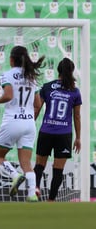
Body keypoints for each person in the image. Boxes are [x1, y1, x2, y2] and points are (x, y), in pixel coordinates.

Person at [0, 45, 45, 202]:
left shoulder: (7, 75)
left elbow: (8, 95)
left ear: (12, 60)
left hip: (12, 121)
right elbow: (38, 105)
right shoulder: (31, 77)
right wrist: (28, 120)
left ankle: (14, 175)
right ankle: (32, 194)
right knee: (26, 162)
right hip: (29, 123)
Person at [33, 58, 81, 202]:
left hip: (46, 132)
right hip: (64, 135)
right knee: (58, 169)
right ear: (71, 71)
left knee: (39, 165)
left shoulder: (47, 87)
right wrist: (78, 138)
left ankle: (35, 189)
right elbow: (77, 116)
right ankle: (51, 200)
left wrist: (29, 127)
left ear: (58, 70)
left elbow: (36, 109)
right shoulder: (75, 91)